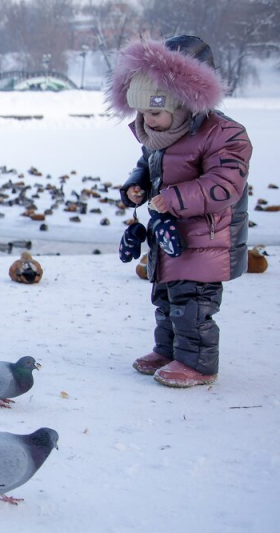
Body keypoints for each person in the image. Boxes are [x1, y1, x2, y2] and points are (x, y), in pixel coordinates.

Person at [106, 36, 253, 388]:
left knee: (194, 305)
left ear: (184, 104)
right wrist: (135, 187)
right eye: (141, 113)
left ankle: (199, 364)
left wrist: (172, 199)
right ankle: (169, 350)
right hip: (169, 238)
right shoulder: (159, 137)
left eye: (154, 112)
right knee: (165, 298)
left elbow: (224, 184)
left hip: (206, 239)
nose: (148, 121)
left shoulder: (224, 135)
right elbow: (146, 165)